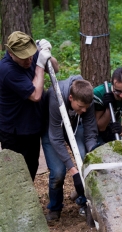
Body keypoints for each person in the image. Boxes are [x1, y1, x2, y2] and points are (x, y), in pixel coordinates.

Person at [0, 31, 58, 181]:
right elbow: (35, 95)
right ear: (11, 53)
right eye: (23, 56)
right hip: (14, 132)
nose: (29, 59)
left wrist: (47, 53)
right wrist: (39, 66)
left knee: (31, 167)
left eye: (31, 54)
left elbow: (55, 69)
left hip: (32, 127)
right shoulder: (7, 70)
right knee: (15, 174)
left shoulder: (30, 55)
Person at [41, 75, 99, 221]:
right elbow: (56, 138)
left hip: (73, 125)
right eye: (81, 107)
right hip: (52, 129)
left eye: (87, 107)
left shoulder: (86, 97)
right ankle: (55, 207)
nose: (85, 110)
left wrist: (91, 151)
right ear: (71, 98)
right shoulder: (56, 95)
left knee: (83, 157)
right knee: (58, 171)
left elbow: (90, 129)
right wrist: (73, 171)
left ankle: (84, 201)